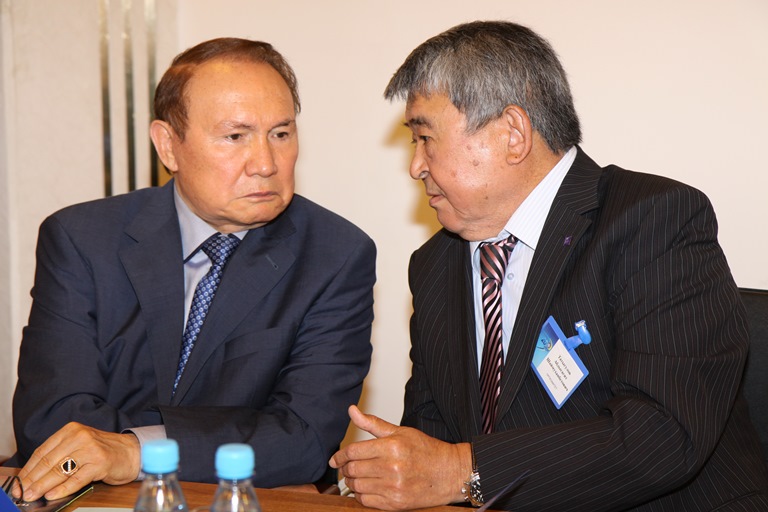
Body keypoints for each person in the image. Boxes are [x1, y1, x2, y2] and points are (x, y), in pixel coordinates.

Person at [330, 20, 768, 511]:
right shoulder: (435, 266)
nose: (416, 166)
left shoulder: (653, 220)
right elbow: (432, 445)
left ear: (512, 134)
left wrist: (463, 471)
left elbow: (661, 434)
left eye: (426, 137)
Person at [8, 37, 376, 502]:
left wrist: (136, 451)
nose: (265, 164)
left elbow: (303, 437)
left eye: (281, 134)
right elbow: (50, 420)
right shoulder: (82, 239)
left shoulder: (335, 255)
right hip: (88, 497)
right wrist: (228, 438)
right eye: (235, 136)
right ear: (168, 145)